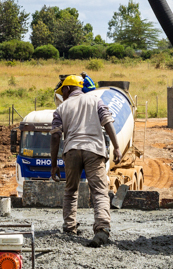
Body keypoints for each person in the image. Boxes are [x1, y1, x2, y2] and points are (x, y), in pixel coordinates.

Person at [47, 74, 124, 247]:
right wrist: (116, 146)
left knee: (71, 190)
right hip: (94, 150)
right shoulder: (95, 101)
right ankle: (102, 228)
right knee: (99, 191)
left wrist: (53, 164)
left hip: (72, 150)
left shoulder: (61, 109)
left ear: (67, 88)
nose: (62, 95)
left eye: (63, 92)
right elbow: (108, 122)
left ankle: (69, 227)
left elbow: (55, 136)